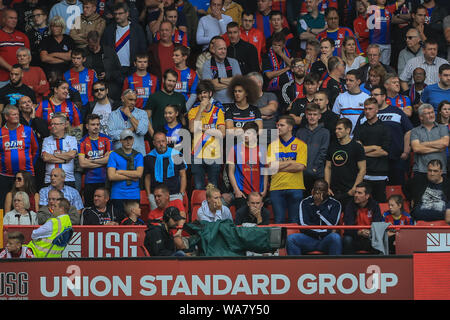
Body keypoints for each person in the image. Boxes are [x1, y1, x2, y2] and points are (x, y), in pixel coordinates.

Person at [365, 85, 413, 186]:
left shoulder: (397, 111)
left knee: (398, 189)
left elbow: (408, 130)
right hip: (373, 161)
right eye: (371, 95)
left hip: (396, 158)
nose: (373, 97)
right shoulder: (366, 113)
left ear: (384, 96)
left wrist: (406, 151)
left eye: (376, 95)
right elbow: (358, 135)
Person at [267, 115, 307, 223]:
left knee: (294, 221)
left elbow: (300, 166)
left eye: (281, 125)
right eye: (277, 125)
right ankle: (279, 241)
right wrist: (290, 162)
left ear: (290, 128)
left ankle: (292, 241)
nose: (278, 127)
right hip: (276, 188)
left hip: (295, 187)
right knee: (278, 221)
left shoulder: (301, 145)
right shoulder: (272, 146)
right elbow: (271, 167)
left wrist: (279, 166)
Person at [286, 179, 342, 256]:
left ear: (327, 192)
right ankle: (296, 266)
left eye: (321, 190)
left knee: (335, 237)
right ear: (312, 190)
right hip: (309, 239)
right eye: (316, 189)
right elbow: (304, 225)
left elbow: (332, 224)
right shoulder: (305, 202)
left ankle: (334, 266)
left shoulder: (335, 204)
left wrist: (319, 205)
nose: (317, 192)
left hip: (326, 239)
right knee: (291, 239)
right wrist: (325, 231)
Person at [188, 80, 225, 190]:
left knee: (213, 187)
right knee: (199, 187)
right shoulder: (193, 111)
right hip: (197, 154)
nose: (202, 95)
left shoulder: (218, 111)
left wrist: (203, 128)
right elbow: (193, 129)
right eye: (200, 93)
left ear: (210, 94)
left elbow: (222, 134)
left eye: (205, 92)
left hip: (214, 154)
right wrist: (200, 110)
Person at [0, 105, 39, 210]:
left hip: (26, 174)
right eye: (13, 114)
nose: (17, 116)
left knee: (29, 202)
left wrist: (29, 163)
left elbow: (36, 150)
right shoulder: (0, 132)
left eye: (17, 114)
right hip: (5, 174)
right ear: (6, 117)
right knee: (4, 202)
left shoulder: (28, 130)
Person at [353, 98, 390, 203]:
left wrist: (363, 152)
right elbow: (356, 150)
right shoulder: (360, 128)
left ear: (377, 110)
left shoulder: (385, 128)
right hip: (363, 173)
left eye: (370, 109)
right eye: (365, 109)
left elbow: (385, 152)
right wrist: (374, 147)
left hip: (380, 174)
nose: (367, 111)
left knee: (380, 206)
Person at [101, 2, 147, 86]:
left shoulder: (137, 29)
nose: (117, 16)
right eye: (115, 14)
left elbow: (143, 50)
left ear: (127, 13)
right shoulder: (109, 30)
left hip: (132, 70)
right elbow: (105, 51)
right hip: (114, 72)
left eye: (120, 13)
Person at [325, 118, 366, 209]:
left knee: (349, 219)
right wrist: (327, 186)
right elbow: (328, 167)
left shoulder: (357, 147)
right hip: (333, 190)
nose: (336, 131)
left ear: (348, 130)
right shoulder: (332, 146)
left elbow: (362, 169)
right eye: (336, 129)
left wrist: (355, 188)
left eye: (340, 129)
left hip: (349, 190)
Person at [228, 122, 268, 208]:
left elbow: (265, 171)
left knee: (259, 219)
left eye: (248, 133)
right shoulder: (234, 149)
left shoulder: (262, 149)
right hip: (242, 192)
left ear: (256, 134)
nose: (245, 135)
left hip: (258, 192)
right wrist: (236, 190)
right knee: (242, 220)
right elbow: (231, 172)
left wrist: (264, 189)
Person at [144, 131, 187, 210]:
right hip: (156, 197)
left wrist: (181, 193)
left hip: (174, 195)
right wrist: (149, 195)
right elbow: (147, 177)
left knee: (175, 220)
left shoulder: (176, 155)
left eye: (163, 141)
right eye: (158, 142)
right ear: (153, 143)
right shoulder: (148, 158)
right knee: (157, 220)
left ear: (166, 141)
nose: (161, 144)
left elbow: (183, 175)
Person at [106, 129, 144, 214]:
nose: (128, 141)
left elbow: (139, 174)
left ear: (133, 140)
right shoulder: (114, 155)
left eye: (130, 139)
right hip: (117, 194)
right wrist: (132, 176)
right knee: (118, 222)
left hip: (134, 194)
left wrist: (120, 172)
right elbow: (111, 176)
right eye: (125, 139)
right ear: (121, 141)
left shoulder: (138, 155)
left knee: (133, 222)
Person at [78, 114, 112, 207]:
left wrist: (90, 161)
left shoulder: (106, 139)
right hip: (89, 181)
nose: (96, 127)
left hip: (104, 179)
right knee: (90, 207)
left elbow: (109, 160)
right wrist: (102, 161)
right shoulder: (82, 141)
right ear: (87, 126)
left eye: (97, 124)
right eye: (93, 124)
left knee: (105, 207)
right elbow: (82, 163)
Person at [296, 103, 330, 195]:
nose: (312, 117)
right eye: (310, 114)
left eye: (315, 114)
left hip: (317, 173)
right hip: (301, 173)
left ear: (319, 116)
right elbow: (297, 152)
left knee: (318, 199)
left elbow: (323, 152)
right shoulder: (300, 132)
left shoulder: (325, 132)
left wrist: (314, 168)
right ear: (306, 116)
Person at [342, 182, 382, 254]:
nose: (356, 195)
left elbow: (377, 224)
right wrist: (359, 232)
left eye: (359, 193)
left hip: (369, 237)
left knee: (377, 240)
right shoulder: (349, 205)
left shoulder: (375, 205)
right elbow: (348, 228)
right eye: (355, 192)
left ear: (367, 196)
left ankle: (374, 263)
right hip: (355, 237)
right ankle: (349, 263)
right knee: (347, 239)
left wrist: (370, 232)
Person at [410, 104, 449, 177]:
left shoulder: (442, 128)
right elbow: (416, 148)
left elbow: (445, 143)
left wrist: (423, 144)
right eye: (428, 113)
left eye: (432, 112)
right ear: (421, 117)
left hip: (440, 170)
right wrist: (438, 149)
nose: (431, 115)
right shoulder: (415, 131)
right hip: (420, 170)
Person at [145, 69, 187, 136]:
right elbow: (146, 118)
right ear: (163, 80)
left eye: (174, 81)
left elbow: (182, 118)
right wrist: (153, 135)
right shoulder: (154, 97)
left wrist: (185, 134)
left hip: (177, 137)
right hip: (160, 138)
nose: (171, 83)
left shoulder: (180, 97)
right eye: (169, 80)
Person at [41, 113, 78, 187]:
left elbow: (71, 155)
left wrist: (54, 155)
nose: (52, 126)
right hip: (49, 179)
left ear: (63, 125)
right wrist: (64, 160)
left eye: (56, 124)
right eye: (52, 124)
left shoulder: (72, 139)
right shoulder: (46, 140)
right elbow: (46, 157)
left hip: (68, 179)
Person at [108, 89, 149, 155]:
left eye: (134, 100)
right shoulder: (113, 115)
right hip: (119, 155)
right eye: (130, 100)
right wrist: (131, 129)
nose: (133, 103)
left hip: (137, 154)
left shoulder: (142, 113)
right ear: (123, 99)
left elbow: (142, 131)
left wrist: (130, 115)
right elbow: (111, 135)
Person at [84, 30, 123, 101]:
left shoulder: (109, 52)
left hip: (108, 84)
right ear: (87, 41)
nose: (94, 48)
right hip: (89, 84)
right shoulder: (83, 53)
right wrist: (88, 73)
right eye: (92, 46)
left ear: (99, 40)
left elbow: (119, 71)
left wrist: (107, 74)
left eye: (96, 45)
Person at [202, 37, 242, 104]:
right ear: (214, 50)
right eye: (220, 49)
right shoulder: (207, 64)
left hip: (233, 103)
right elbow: (208, 86)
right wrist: (231, 83)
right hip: (214, 104)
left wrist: (219, 80)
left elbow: (239, 82)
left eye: (225, 49)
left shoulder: (233, 62)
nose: (223, 51)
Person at [332, 69, 369, 134]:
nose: (347, 83)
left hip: (361, 136)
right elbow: (335, 117)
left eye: (351, 80)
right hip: (344, 136)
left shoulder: (366, 98)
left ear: (358, 81)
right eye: (346, 80)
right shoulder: (340, 97)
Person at [0, 8, 30, 89]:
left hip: (21, 78)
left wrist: (20, 72)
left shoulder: (23, 36)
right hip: (2, 78)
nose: (14, 21)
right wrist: (11, 69)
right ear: (4, 19)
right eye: (11, 18)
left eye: (15, 18)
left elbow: (28, 57)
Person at [63, 48, 98, 115]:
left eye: (78, 58)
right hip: (73, 106)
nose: (75, 61)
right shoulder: (66, 75)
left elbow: (97, 89)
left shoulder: (91, 73)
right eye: (73, 58)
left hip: (89, 106)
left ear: (84, 59)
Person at [172, 45, 199, 110]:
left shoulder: (193, 74)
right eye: (173, 55)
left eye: (177, 55)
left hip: (186, 108)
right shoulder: (169, 72)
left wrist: (185, 109)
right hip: (171, 108)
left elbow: (194, 94)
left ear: (184, 57)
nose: (173, 57)